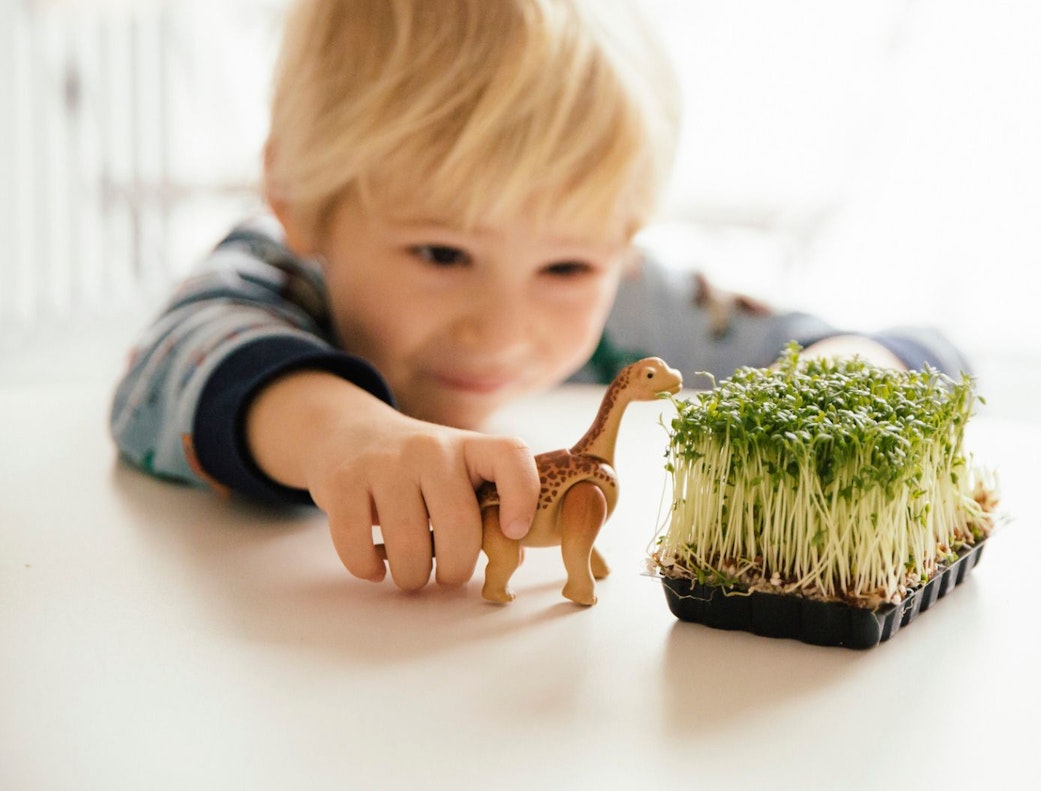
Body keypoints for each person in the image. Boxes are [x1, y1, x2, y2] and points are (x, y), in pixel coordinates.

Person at [110, 0, 967, 592]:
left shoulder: (627, 300)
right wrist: (344, 435)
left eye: (565, 269)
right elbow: (177, 360)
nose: (503, 329)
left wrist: (856, 370)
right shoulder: (278, 271)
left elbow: (886, 346)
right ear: (298, 199)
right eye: (441, 252)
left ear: (622, 245)